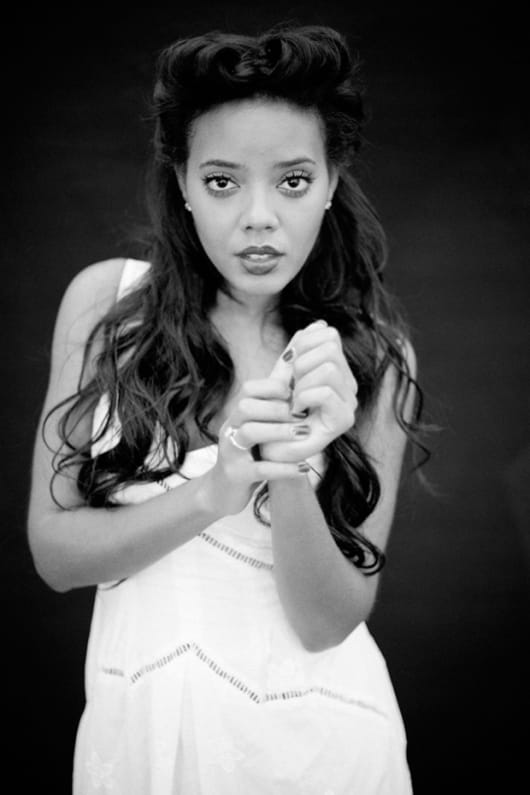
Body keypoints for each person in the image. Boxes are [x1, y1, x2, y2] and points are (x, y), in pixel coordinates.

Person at [28, 23, 425, 794]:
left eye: (293, 180)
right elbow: (55, 554)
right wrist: (215, 489)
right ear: (181, 180)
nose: (258, 217)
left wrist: (288, 465)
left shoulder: (376, 358)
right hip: (146, 744)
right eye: (221, 182)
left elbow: (327, 622)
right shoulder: (107, 306)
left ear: (332, 180)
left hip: (327, 752)